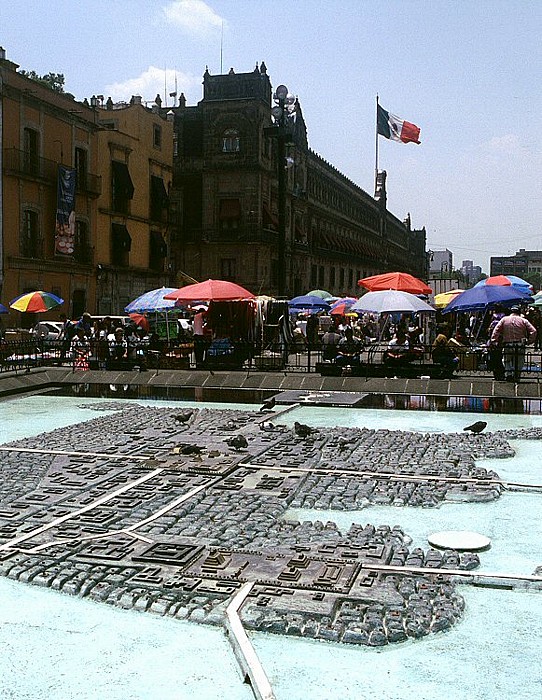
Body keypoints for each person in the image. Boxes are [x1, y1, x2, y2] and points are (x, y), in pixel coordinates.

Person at [490, 306, 537, 382]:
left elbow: (496, 331)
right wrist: (529, 341)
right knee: (519, 361)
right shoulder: (523, 320)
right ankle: (517, 376)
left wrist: (494, 341)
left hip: (508, 344)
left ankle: (509, 374)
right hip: (520, 344)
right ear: (519, 312)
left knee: (506, 360)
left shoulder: (504, 320)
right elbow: (533, 331)